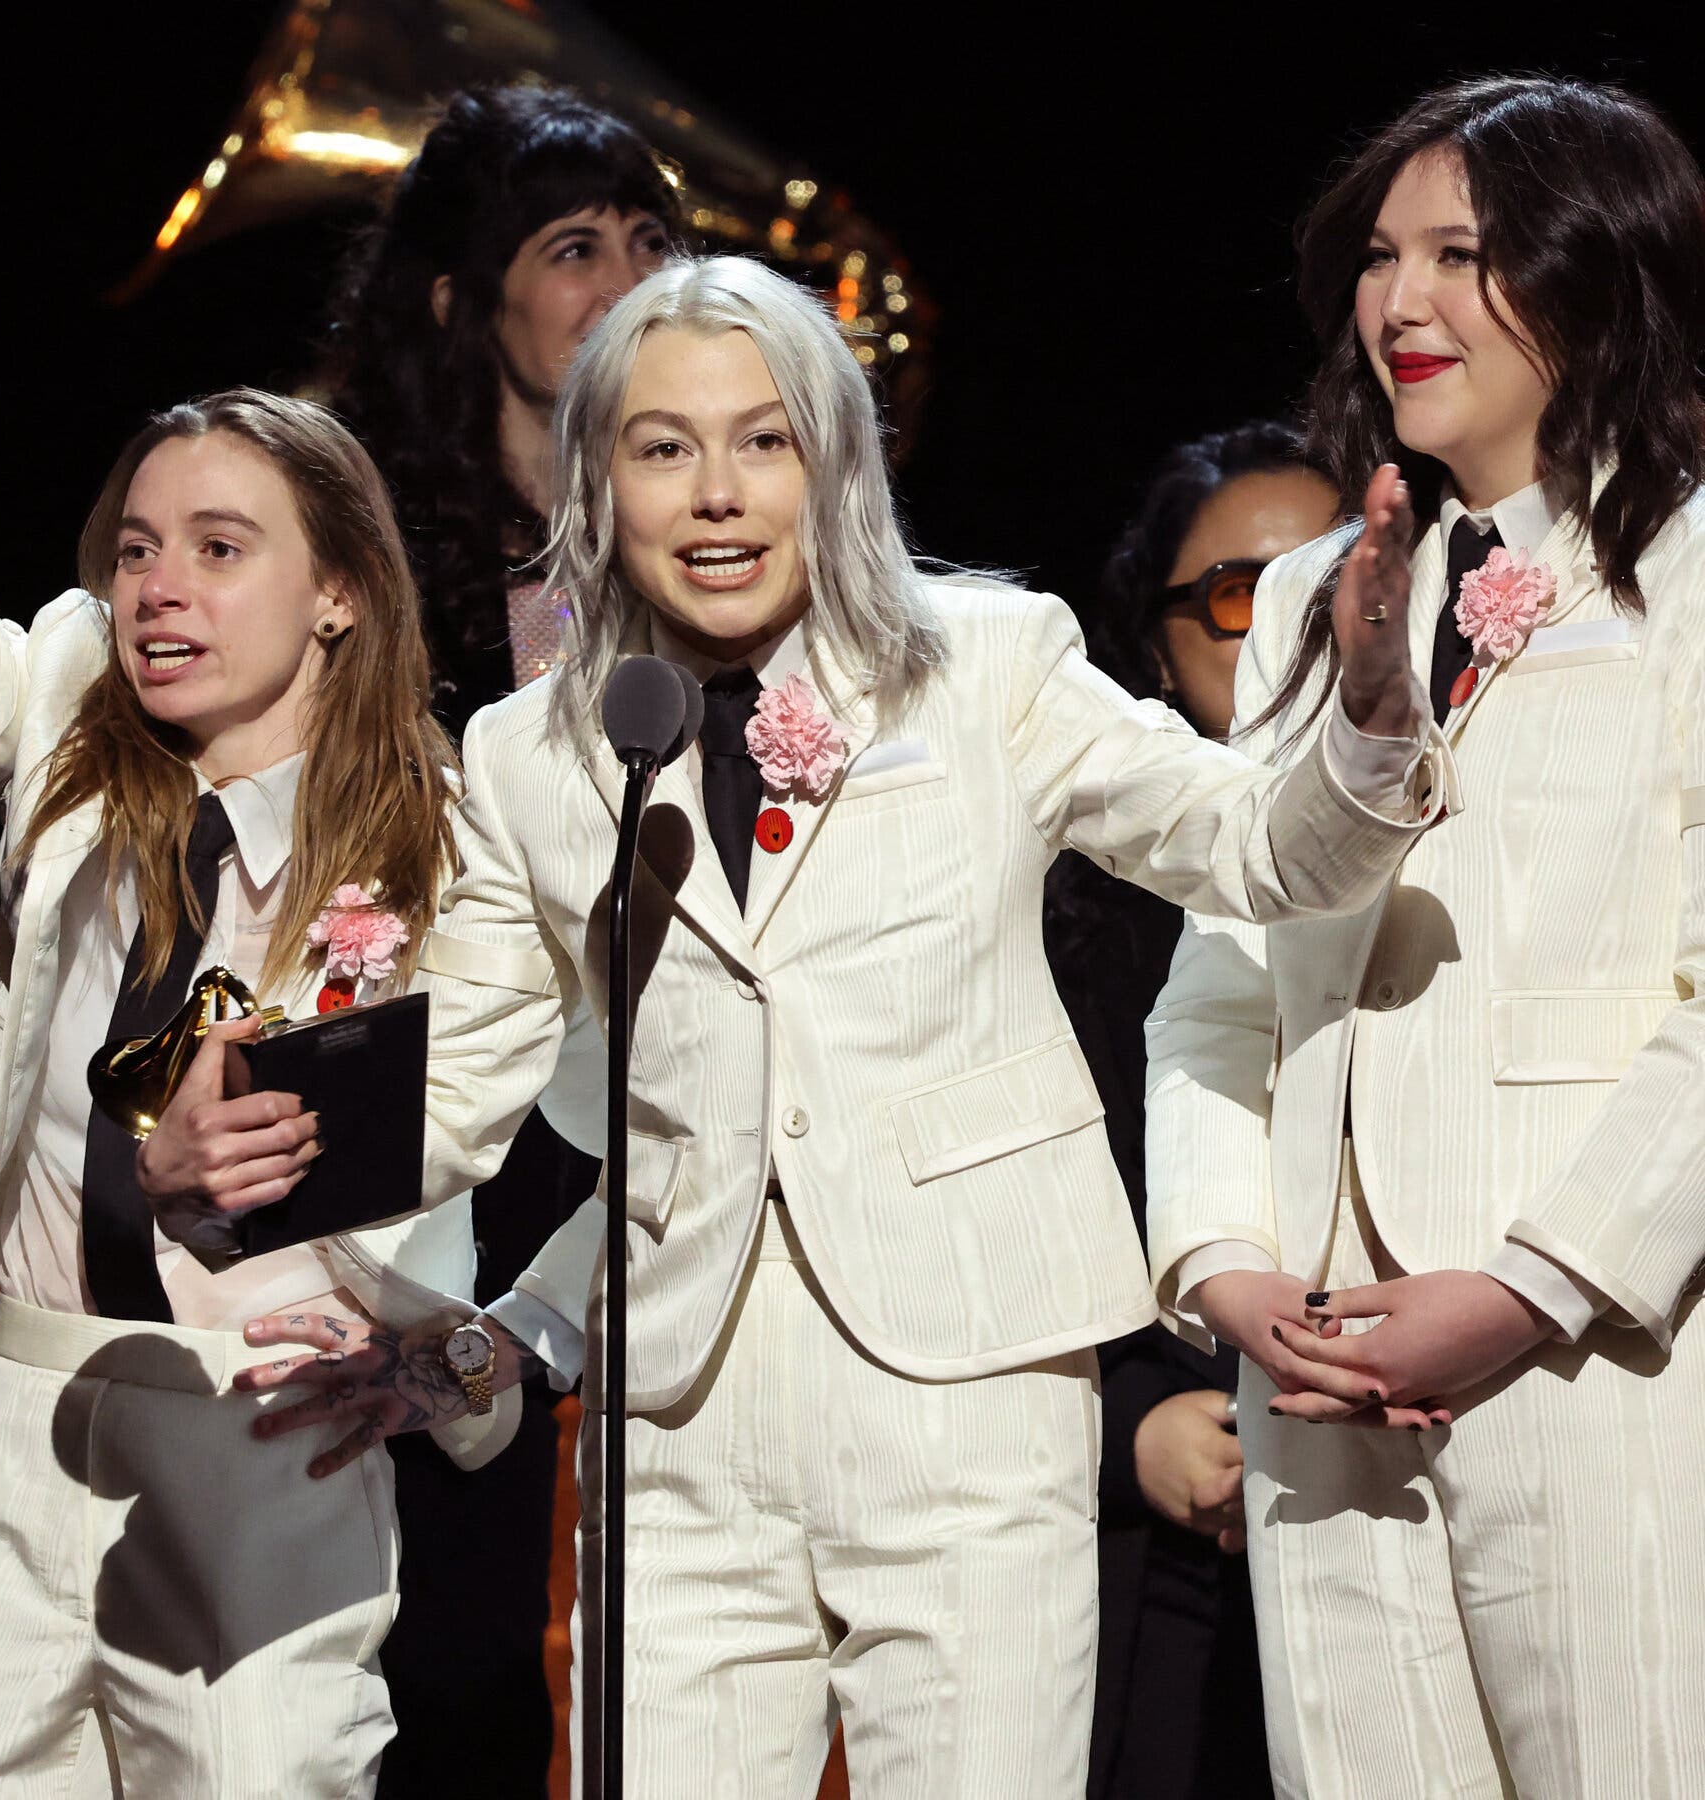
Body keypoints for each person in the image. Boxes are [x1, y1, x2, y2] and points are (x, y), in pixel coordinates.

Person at [156, 253, 1446, 1797]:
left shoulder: (987, 664)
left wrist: (1370, 717)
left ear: (832, 462)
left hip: (965, 1385)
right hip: (677, 1417)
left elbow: (1259, 853)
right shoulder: (532, 755)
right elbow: (467, 1069)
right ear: (598, 481)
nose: (716, 494)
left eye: (763, 441)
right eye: (662, 447)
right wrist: (243, 1146)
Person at [1143, 76, 1705, 1799]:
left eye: (1465, 254)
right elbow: (1217, 986)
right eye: (1383, 257)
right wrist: (1225, 1271)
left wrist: (1534, 1287)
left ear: (1601, 276)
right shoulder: (1319, 593)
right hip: (1316, 1371)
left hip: (1597, 1356)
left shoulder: (1689, 562)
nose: (1403, 304)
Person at [0, 389, 514, 1796]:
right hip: (28, 1419)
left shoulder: (456, 853)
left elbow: (623, 1132)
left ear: (341, 591)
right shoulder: (66, 736)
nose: (158, 588)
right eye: (134, 550)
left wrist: (470, 1362)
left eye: (220, 548)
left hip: (266, 1455)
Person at [322, 82, 680, 1792]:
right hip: (440, 1137)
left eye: (647, 240)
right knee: (440, 1650)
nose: (623, 279)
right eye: (572, 248)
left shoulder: (722, 533)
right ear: (464, 304)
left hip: (654, 1116)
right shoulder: (364, 559)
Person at [1044, 421, 1338, 1799]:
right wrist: (1133, 1434)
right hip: (1156, 1528)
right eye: (1237, 594)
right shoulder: (1068, 920)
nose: (1285, 628)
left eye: (1328, 585)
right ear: (1154, 647)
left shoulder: (1464, 851)